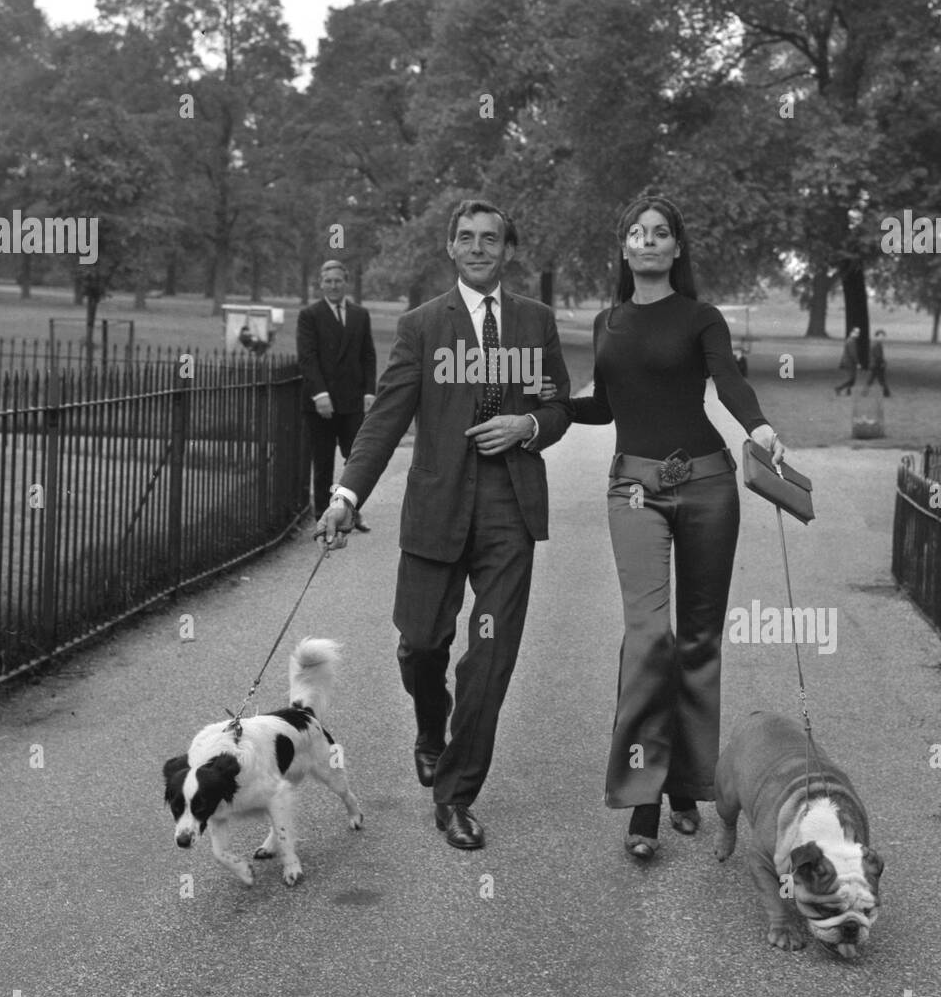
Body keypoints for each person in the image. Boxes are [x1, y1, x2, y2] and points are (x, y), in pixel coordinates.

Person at [315, 200, 572, 851]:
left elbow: (559, 406)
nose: (480, 247)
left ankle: (455, 795)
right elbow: (386, 418)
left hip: (509, 510)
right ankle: (433, 727)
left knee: (490, 659)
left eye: (491, 238)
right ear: (451, 249)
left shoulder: (535, 323)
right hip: (436, 506)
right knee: (422, 645)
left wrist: (530, 425)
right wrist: (346, 495)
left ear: (506, 249)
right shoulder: (423, 326)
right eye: (467, 238)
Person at [562, 194, 787, 860]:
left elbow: (729, 381)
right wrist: (547, 409)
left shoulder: (701, 319)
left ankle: (687, 783)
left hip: (711, 485)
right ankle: (642, 799)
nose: (650, 240)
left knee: (698, 643)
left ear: (676, 248)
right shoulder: (608, 323)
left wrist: (761, 427)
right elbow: (605, 407)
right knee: (648, 638)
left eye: (661, 232)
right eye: (638, 231)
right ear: (625, 247)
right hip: (634, 488)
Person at [297, 260, 376, 531]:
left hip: (352, 400)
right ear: (321, 284)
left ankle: (352, 512)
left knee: (355, 459)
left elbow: (368, 355)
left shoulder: (360, 314)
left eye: (338, 280)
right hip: (321, 402)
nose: (333, 285)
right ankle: (323, 514)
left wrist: (369, 392)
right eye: (328, 281)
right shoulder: (310, 315)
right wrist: (320, 394)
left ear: (346, 283)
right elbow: (307, 358)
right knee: (322, 462)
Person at [833, 326, 861, 394]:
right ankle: (838, 388)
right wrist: (857, 363)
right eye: (856, 332)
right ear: (852, 332)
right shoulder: (851, 341)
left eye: (858, 332)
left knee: (852, 378)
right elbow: (853, 353)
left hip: (848, 361)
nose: (858, 334)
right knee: (851, 378)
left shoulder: (850, 340)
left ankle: (848, 391)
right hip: (849, 362)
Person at [864, 328, 890, 396]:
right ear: (877, 336)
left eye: (883, 336)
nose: (883, 338)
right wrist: (883, 362)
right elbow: (878, 356)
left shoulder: (876, 344)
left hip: (874, 365)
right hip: (877, 365)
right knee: (881, 380)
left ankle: (864, 393)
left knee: (871, 380)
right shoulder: (876, 344)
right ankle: (886, 393)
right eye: (881, 336)